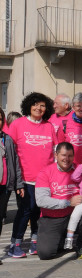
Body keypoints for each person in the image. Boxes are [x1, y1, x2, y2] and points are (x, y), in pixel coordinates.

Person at [8, 92, 57, 257]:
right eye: (35, 104)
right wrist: (17, 181)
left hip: (45, 179)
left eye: (42, 105)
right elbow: (10, 153)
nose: (39, 108)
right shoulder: (18, 125)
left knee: (39, 212)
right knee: (25, 211)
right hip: (26, 179)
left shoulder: (49, 127)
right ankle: (15, 244)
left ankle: (34, 242)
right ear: (29, 106)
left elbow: (57, 151)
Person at [35, 142, 82, 260]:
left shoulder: (80, 170)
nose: (67, 159)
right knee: (45, 254)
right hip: (52, 217)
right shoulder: (45, 172)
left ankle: (81, 244)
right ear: (56, 155)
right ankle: (61, 238)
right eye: (63, 155)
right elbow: (41, 200)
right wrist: (67, 202)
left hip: (76, 213)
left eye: (70, 156)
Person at [0, 107, 22, 250]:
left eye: (0, 118)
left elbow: (14, 161)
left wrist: (18, 184)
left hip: (4, 186)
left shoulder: (7, 138)